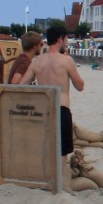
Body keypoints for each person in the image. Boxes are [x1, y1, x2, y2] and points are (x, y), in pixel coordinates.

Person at [19, 26, 85, 163]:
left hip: (43, 110)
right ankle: (60, 181)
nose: (66, 43)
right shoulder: (66, 60)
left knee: (46, 150)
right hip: (61, 110)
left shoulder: (37, 62)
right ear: (60, 39)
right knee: (61, 155)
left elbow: (21, 85)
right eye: (66, 40)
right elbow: (80, 86)